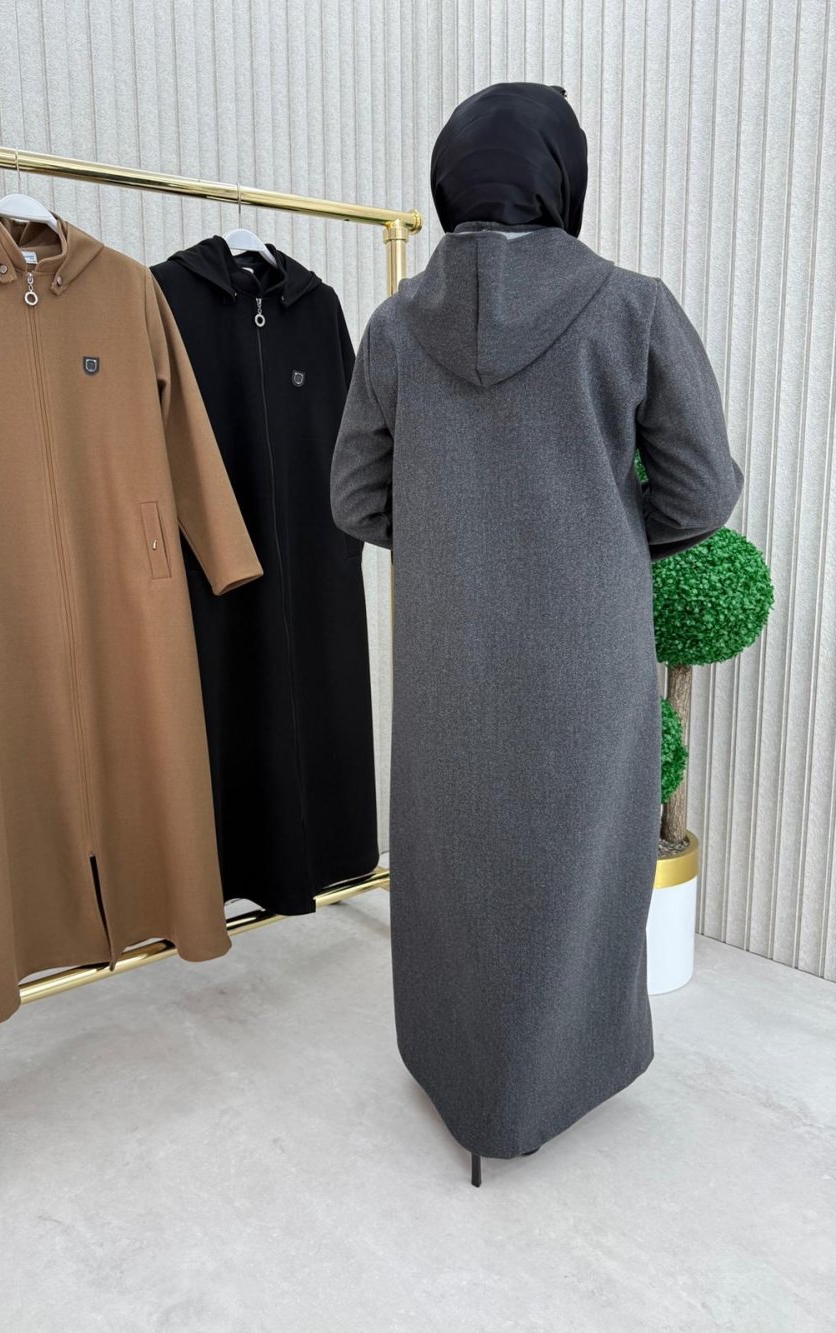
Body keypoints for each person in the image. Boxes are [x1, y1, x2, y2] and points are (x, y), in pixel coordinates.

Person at [330, 82, 743, 1177]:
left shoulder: (394, 326)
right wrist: (606, 540)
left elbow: (354, 498)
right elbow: (701, 491)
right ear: (563, 177)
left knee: (453, 860)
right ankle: (560, 1075)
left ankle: (464, 1076)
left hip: (446, 655)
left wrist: (450, 541)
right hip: (587, 648)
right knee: (579, 859)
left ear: (449, 181)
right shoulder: (632, 310)